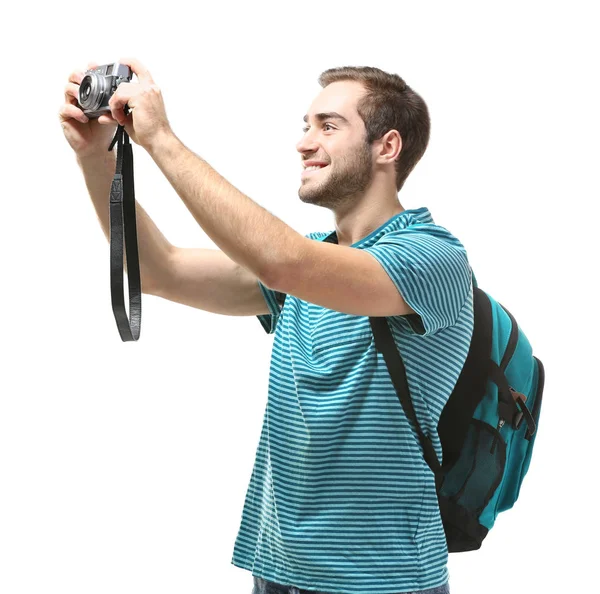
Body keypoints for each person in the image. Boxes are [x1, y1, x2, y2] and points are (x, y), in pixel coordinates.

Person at [59, 59, 473, 594]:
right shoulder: (312, 270)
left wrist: (161, 138)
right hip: (278, 571)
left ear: (387, 148)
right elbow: (160, 271)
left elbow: (286, 262)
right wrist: (95, 157)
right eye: (306, 125)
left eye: (328, 125)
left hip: (380, 580)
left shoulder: (432, 258)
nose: (304, 143)